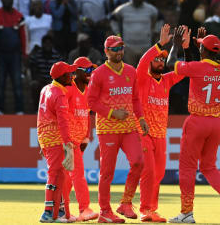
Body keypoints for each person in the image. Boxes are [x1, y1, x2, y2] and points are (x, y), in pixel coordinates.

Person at [166, 26, 220, 223]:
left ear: (204, 51)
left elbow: (170, 64)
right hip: (215, 123)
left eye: (201, 48)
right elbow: (201, 67)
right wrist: (199, 48)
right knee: (209, 167)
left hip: (196, 121)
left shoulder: (197, 68)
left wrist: (175, 46)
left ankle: (186, 213)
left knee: (187, 168)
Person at [117, 24, 187, 223]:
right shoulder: (142, 79)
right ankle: (145, 209)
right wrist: (160, 44)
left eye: (162, 59)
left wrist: (185, 47)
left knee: (159, 173)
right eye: (157, 58)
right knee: (148, 172)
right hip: (142, 132)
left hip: (160, 134)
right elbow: (143, 61)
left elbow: (184, 70)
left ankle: (149, 208)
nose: (159, 61)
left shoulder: (165, 80)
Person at [86, 35, 149, 223]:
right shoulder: (98, 73)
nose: (119, 52)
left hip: (129, 128)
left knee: (138, 162)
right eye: (114, 49)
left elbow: (136, 99)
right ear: (106, 52)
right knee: (107, 172)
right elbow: (91, 102)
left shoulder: (131, 71)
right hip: (108, 129)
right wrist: (113, 113)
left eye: (121, 48)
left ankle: (126, 203)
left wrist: (142, 118)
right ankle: (104, 211)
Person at [61, 57, 99, 222]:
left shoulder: (89, 90)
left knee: (69, 177)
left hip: (78, 140)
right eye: (88, 70)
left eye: (92, 70)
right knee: (78, 175)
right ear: (77, 72)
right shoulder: (69, 90)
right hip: (68, 141)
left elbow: (87, 116)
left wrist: (85, 138)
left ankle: (63, 210)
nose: (91, 73)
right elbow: (60, 114)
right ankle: (84, 208)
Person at [37, 61, 76, 223]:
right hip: (56, 139)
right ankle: (47, 213)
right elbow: (63, 121)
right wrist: (68, 143)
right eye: (69, 74)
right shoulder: (59, 94)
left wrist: (42, 141)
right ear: (62, 77)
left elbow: (40, 115)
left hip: (46, 137)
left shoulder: (46, 89)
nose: (72, 76)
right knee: (55, 174)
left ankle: (58, 213)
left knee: (59, 174)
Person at [0, 0, 27, 115]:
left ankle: (19, 109)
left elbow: (23, 37)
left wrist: (25, 54)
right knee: (0, 83)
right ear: (2, 1)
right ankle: (0, 109)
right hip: (1, 55)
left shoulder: (19, 16)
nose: (7, 1)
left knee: (17, 83)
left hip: (15, 55)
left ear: (13, 1)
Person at [110, 0, 158, 66]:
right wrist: (118, 34)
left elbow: (159, 19)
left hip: (145, 46)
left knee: (144, 69)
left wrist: (155, 31)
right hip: (129, 46)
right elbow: (113, 19)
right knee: (130, 69)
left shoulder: (150, 9)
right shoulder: (123, 9)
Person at [28, 34, 63, 113]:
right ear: (42, 44)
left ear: (52, 44)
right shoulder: (37, 54)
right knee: (34, 85)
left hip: (53, 81)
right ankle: (37, 109)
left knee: (59, 87)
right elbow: (32, 66)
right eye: (45, 43)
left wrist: (54, 80)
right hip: (40, 80)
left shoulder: (57, 55)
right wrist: (36, 78)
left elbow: (62, 69)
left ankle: (56, 110)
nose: (47, 45)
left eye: (49, 43)